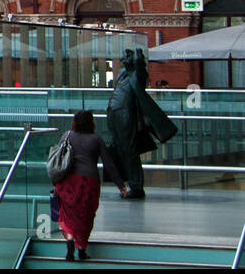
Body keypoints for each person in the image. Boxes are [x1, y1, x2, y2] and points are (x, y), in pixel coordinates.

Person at [55, 109, 127, 261]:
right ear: (91, 123)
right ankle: (81, 249)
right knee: (86, 216)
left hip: (69, 181)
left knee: (67, 214)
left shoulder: (67, 136)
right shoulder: (96, 139)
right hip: (89, 182)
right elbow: (109, 163)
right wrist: (120, 185)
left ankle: (69, 240)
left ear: (74, 122)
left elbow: (58, 158)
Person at [106, 48, 177, 200]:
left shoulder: (137, 74)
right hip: (116, 114)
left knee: (130, 150)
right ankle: (130, 184)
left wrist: (139, 60)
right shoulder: (124, 74)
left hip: (126, 114)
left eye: (127, 57)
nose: (124, 59)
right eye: (124, 57)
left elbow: (141, 70)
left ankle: (136, 186)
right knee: (121, 149)